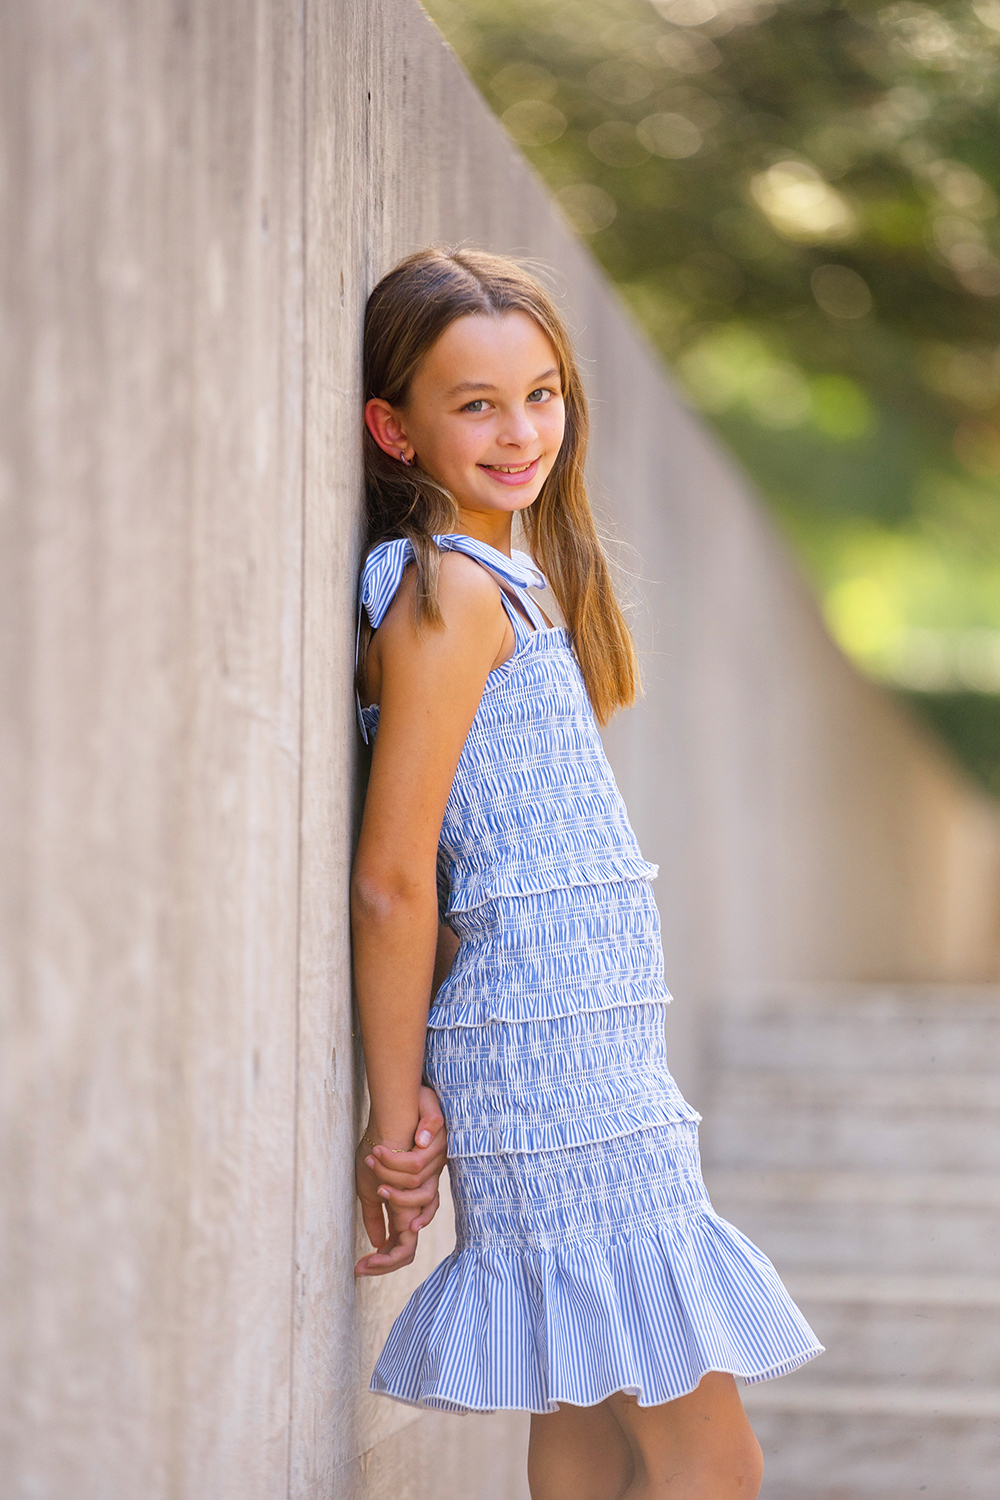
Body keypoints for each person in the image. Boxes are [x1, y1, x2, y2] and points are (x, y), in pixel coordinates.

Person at [351, 246, 822, 1500]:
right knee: (710, 1460)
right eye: (476, 404)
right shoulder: (448, 593)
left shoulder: (506, 584)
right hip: (550, 1065)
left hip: (581, 1051)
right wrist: (395, 1122)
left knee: (593, 1435)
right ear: (394, 430)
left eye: (541, 394)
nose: (521, 433)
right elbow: (393, 878)